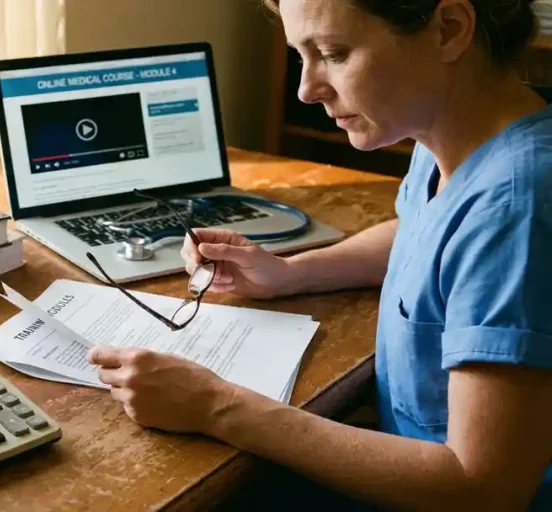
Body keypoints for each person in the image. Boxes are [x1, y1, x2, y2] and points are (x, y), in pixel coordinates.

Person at [86, 0, 552, 510]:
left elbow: (483, 489)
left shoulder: (516, 206)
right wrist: (288, 273)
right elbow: (427, 232)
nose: (307, 89)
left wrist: (215, 406)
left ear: (448, 29)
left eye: (332, 52)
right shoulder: (449, 136)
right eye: (302, 56)